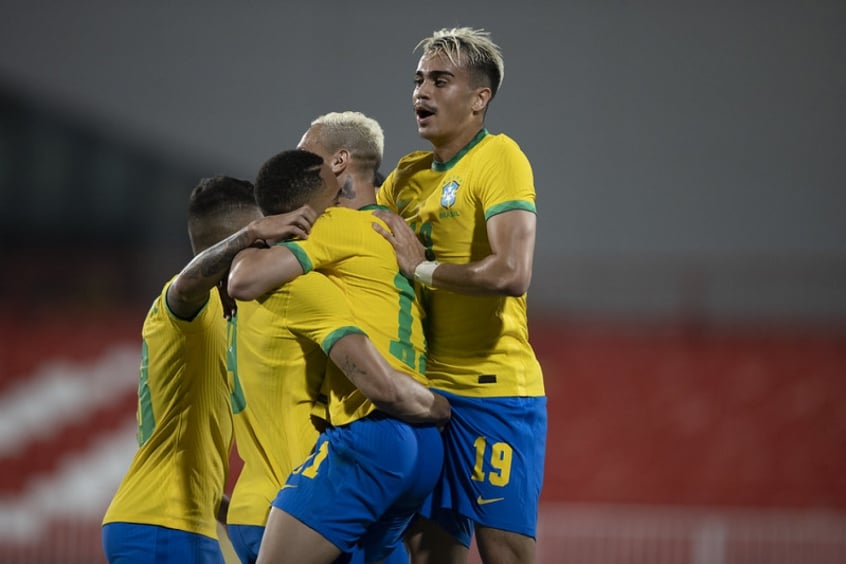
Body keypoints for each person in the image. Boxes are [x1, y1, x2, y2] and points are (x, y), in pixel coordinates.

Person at [372, 27, 547, 564]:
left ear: (479, 99)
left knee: (505, 554)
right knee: (426, 553)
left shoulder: (499, 158)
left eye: (440, 80)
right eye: (419, 80)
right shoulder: (406, 177)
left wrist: (421, 268)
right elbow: (358, 236)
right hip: (426, 395)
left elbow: (512, 272)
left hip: (493, 391)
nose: (421, 92)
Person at [228, 148, 448, 564]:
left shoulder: (298, 279)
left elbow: (239, 278)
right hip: (417, 445)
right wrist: (436, 405)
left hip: (327, 462)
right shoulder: (386, 249)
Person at [101, 176, 316, 563]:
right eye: (261, 240)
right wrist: (250, 233)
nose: (267, 248)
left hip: (185, 521)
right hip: (162, 522)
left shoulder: (230, 311)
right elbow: (185, 288)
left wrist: (223, 505)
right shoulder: (185, 309)